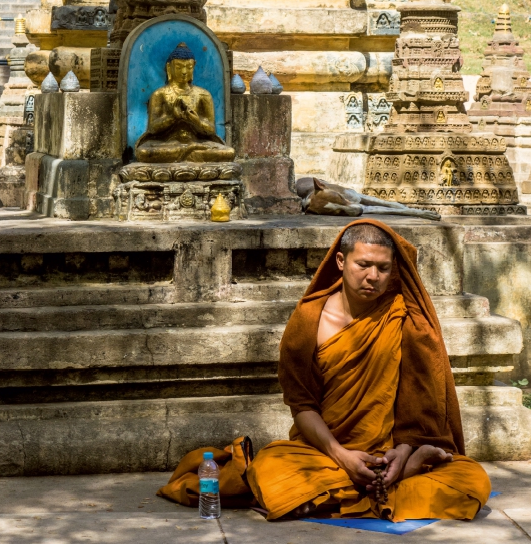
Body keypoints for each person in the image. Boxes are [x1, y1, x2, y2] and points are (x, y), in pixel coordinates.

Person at [158, 220, 491, 523]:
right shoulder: (309, 320)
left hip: (393, 452)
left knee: (472, 480)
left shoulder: (405, 318)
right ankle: (383, 486)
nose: (372, 277)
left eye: (383, 268)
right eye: (363, 265)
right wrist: (343, 456)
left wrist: (402, 454)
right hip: (326, 452)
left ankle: (382, 480)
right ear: (342, 263)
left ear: (394, 271)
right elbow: (302, 407)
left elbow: (422, 404)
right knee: (271, 467)